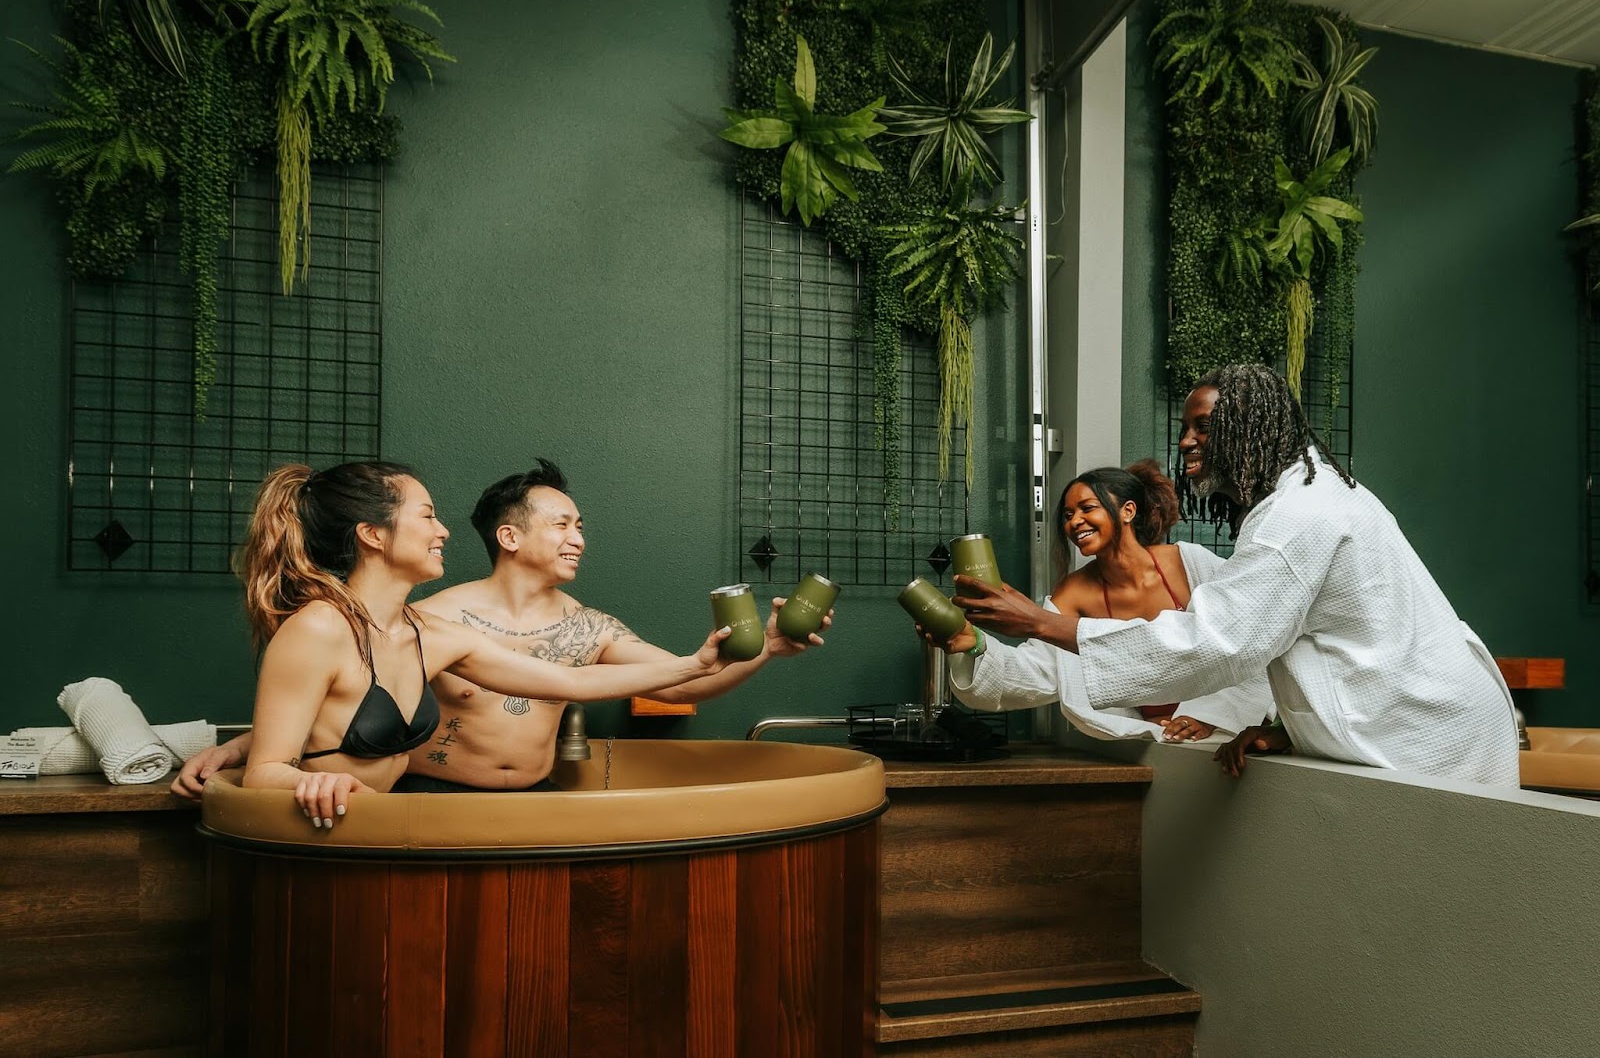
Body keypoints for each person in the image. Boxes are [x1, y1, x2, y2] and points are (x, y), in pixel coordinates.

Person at [954, 364, 1519, 786]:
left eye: (1203, 426)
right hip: (1414, 722)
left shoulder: (1298, 515)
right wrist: (1291, 728)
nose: (1185, 442)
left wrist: (1039, 623)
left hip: (1427, 730)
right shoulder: (1303, 498)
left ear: (1250, 426)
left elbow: (1222, 643)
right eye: (1185, 428)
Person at [174, 459, 830, 800]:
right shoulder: (398, 620)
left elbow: (572, 680)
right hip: (413, 806)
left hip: (500, 805)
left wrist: (724, 656)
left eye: (581, 526)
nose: (442, 531)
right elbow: (316, 718)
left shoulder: (435, 634)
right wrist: (247, 754)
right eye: (562, 525)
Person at [924, 461, 1271, 741]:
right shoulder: (1072, 594)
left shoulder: (1188, 563)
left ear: (1128, 511)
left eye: (1087, 508)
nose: (1075, 522)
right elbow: (1039, 672)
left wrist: (1210, 716)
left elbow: (1252, 636)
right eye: (1068, 514)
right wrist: (972, 644)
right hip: (1145, 740)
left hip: (1226, 732)